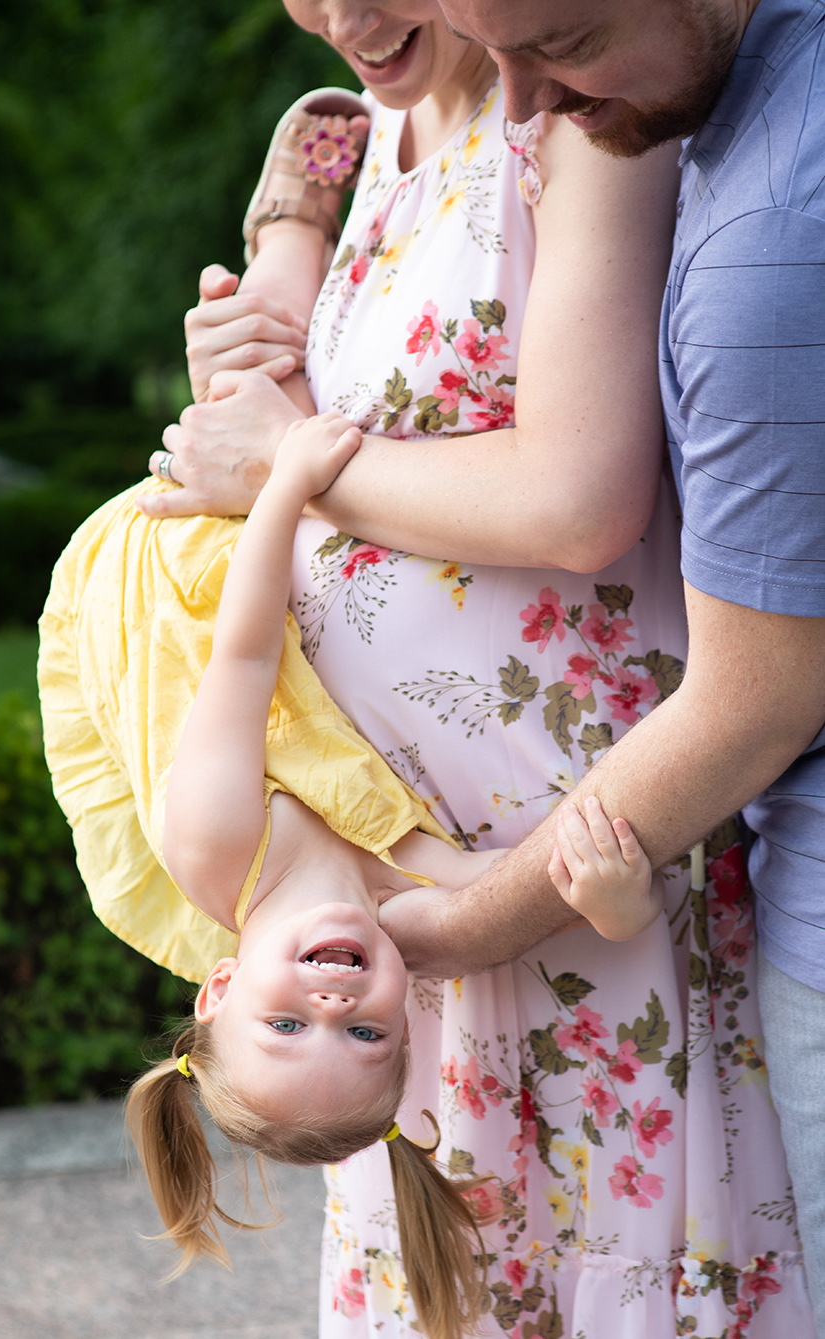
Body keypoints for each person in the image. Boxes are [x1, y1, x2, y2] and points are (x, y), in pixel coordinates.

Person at [62, 0, 808, 1330]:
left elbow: (580, 500)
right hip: (417, 961)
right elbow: (323, 132)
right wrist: (272, 287)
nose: (344, 15)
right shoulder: (386, 121)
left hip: (561, 890)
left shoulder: (578, 106)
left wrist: (280, 474)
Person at [376, 0, 825, 1332]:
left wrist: (457, 926)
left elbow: (751, 704)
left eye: (559, 47)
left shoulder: (766, 250)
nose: (518, 106)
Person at [61, 400, 660, 1338]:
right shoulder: (409, 900)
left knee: (256, 398)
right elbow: (549, 891)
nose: (332, 1010)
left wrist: (285, 480)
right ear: (403, 1019)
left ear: (217, 986)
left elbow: (246, 645)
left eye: (285, 1023)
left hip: (165, 597)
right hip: (269, 618)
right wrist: (620, 906)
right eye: (365, 1039)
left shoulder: (216, 838)